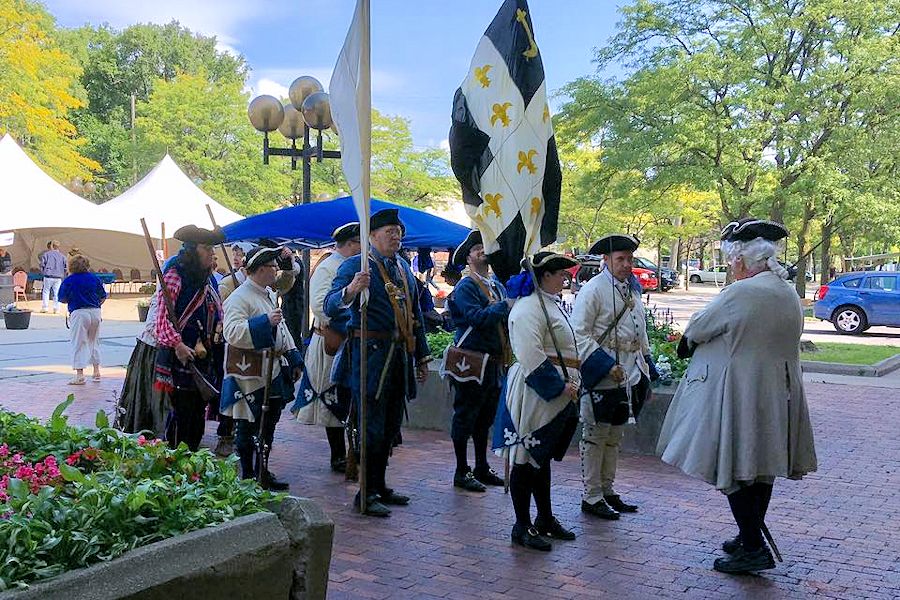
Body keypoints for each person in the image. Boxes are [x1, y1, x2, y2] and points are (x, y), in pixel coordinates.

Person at [657, 218, 817, 575]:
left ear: (744, 259)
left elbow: (697, 328)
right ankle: (748, 537)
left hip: (742, 393)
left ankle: (753, 546)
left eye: (732, 259)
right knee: (761, 470)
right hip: (777, 393)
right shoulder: (786, 292)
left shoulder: (741, 292)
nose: (730, 265)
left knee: (737, 469)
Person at [324, 208, 431, 517]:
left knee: (390, 426)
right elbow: (330, 304)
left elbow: (415, 316)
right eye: (389, 232)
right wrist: (351, 290)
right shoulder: (355, 266)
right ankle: (366, 492)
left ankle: (381, 485)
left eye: (398, 231)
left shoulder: (402, 269)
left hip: (397, 355)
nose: (395, 236)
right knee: (370, 427)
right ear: (371, 236)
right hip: (368, 356)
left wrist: (421, 356)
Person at [493, 252, 581, 552]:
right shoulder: (528, 308)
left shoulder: (550, 304)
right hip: (536, 393)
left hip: (557, 393)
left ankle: (544, 517)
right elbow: (531, 354)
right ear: (544, 276)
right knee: (526, 458)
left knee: (539, 458)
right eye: (559, 273)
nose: (565, 277)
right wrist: (558, 387)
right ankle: (521, 525)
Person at [571, 234, 658, 520]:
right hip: (603, 373)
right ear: (605, 260)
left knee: (614, 436)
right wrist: (606, 365)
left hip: (631, 372)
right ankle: (591, 495)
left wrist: (647, 367)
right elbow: (579, 333)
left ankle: (607, 491)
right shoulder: (593, 290)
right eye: (620, 259)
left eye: (629, 259)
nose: (626, 264)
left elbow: (639, 331)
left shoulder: (631, 290)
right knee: (596, 435)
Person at [220, 246, 303, 490]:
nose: (276, 271)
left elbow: (282, 327)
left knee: (269, 423)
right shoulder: (239, 297)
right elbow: (232, 332)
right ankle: (248, 474)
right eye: (272, 267)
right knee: (248, 425)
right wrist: (264, 322)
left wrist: (293, 355)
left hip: (272, 368)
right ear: (260, 269)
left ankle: (261, 469)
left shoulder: (265, 293)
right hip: (249, 374)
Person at [445, 230, 512, 492]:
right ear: (468, 257)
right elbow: (477, 318)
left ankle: (481, 467)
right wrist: (505, 306)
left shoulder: (496, 285)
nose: (482, 250)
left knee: (485, 418)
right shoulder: (466, 286)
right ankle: (462, 470)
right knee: (466, 416)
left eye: (485, 246)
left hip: (492, 361)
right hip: (470, 360)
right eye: (476, 248)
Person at [294, 223, 361, 475]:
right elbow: (322, 306)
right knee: (332, 399)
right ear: (349, 243)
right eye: (357, 243)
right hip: (331, 341)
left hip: (351, 340)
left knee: (348, 398)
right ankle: (338, 455)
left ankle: (352, 451)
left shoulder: (356, 266)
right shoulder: (327, 268)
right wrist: (353, 323)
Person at [154, 225, 225, 452]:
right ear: (193, 250)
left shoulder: (207, 278)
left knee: (197, 414)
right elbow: (162, 319)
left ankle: (192, 462)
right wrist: (178, 344)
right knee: (182, 416)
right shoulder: (175, 275)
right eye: (207, 248)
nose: (212, 254)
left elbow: (214, 307)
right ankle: (176, 463)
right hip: (181, 357)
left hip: (203, 354)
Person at [116, 290, 170, 437]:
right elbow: (152, 326)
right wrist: (173, 339)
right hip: (152, 351)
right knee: (149, 393)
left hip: (166, 349)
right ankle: (150, 428)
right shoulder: (162, 293)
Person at [58, 254, 107, 385]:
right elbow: (102, 296)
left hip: (79, 312)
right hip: (95, 312)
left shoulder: (69, 280)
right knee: (94, 341)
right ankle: (96, 371)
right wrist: (96, 305)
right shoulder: (94, 278)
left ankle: (80, 375)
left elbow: (62, 298)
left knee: (79, 342)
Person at [39, 240, 67, 313]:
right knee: (57, 293)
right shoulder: (63, 256)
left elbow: (42, 265)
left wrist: (43, 272)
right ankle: (56, 309)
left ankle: (45, 307)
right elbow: (66, 267)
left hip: (48, 276)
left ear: (51, 246)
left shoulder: (46, 254)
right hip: (58, 277)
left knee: (46, 291)